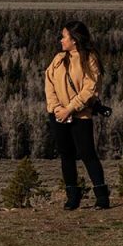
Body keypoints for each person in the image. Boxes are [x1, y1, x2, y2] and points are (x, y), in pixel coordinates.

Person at [44, 20, 109, 210]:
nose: (61, 40)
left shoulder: (89, 59)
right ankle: (72, 197)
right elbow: (49, 83)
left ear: (74, 39)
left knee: (88, 154)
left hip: (81, 115)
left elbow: (90, 89)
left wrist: (70, 109)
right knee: (66, 155)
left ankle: (102, 197)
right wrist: (56, 108)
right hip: (58, 115)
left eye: (64, 36)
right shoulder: (58, 59)